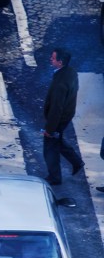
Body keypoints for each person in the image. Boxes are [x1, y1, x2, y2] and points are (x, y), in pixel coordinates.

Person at [43, 47, 82, 186]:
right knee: (57, 141)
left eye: (53, 58)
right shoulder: (70, 72)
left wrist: (49, 129)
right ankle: (76, 161)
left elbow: (56, 108)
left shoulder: (60, 83)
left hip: (58, 119)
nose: (50, 59)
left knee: (49, 148)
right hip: (66, 115)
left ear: (60, 62)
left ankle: (55, 177)